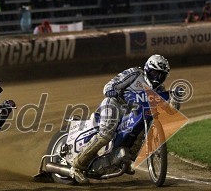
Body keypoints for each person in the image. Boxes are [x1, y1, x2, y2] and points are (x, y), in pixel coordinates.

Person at [71, 54, 171, 184]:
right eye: (154, 73)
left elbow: (166, 110)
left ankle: (126, 158)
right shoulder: (134, 73)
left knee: (142, 131)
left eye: (161, 75)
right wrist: (111, 90)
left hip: (133, 114)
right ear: (147, 69)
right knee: (106, 134)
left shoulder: (160, 89)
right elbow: (109, 85)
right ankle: (76, 167)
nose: (157, 78)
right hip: (115, 104)